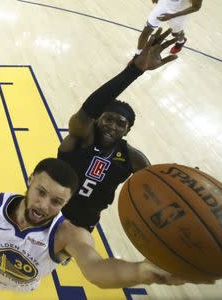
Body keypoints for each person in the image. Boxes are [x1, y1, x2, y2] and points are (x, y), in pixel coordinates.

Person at [0, 158, 212, 292]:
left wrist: (142, 272)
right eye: (40, 192)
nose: (43, 206)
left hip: (23, 285)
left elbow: (96, 270)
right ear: (30, 181)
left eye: (56, 202)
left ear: (66, 203)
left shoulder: (69, 235)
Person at [59, 28, 177, 232]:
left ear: (127, 130)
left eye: (120, 123)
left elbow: (158, 187)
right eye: (108, 119)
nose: (112, 126)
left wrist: (182, 183)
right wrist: (133, 71)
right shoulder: (80, 137)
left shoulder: (133, 158)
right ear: (98, 119)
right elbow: (88, 110)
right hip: (49, 212)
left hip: (83, 225)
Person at [135, 0, 202, 56]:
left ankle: (181, 42)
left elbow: (196, 7)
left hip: (179, 11)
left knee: (176, 34)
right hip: (163, 5)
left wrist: (172, 15)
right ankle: (137, 55)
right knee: (146, 31)